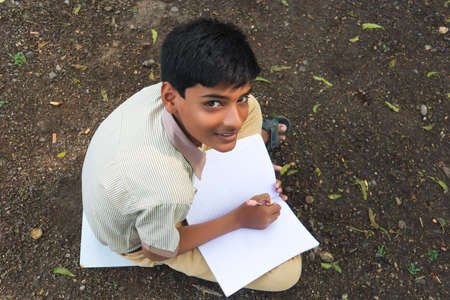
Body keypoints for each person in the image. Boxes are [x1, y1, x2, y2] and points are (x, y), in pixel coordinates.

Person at [82, 18, 301, 292]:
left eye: (240, 97)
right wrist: (238, 220)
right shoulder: (168, 190)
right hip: (145, 237)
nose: (234, 120)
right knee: (287, 274)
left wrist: (254, 169)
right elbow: (157, 250)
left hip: (140, 176)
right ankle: (248, 165)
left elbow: (234, 109)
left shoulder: (159, 96)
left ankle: (250, 157)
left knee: (253, 108)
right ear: (171, 97)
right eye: (213, 103)